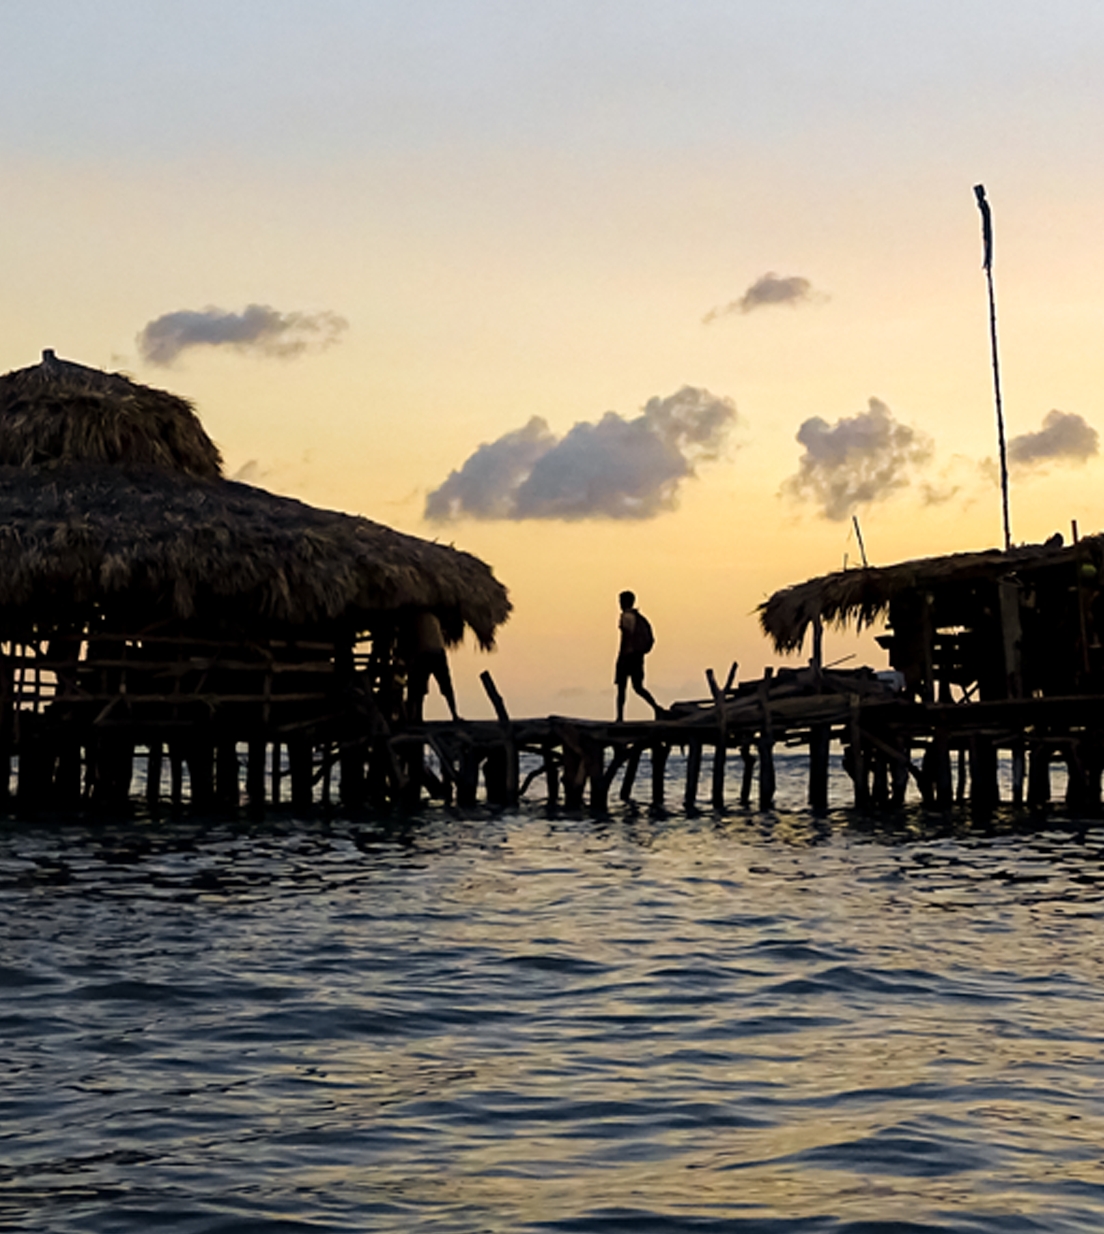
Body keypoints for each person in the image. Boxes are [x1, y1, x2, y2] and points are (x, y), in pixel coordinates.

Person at [615, 590, 661, 723]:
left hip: (627, 657)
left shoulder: (626, 617)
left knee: (621, 688)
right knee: (638, 687)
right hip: (637, 657)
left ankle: (620, 718)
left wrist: (621, 657)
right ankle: (656, 708)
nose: (619, 604)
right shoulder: (637, 617)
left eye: (621, 601)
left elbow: (626, 638)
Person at [407, 611, 460, 722]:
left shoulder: (415, 618)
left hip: (424, 653)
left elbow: (411, 639)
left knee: (419, 687)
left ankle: (418, 717)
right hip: (436, 651)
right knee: (445, 685)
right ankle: (454, 714)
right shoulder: (433, 617)